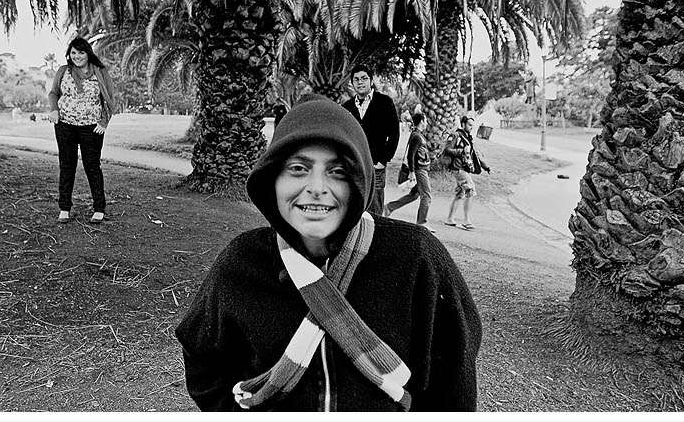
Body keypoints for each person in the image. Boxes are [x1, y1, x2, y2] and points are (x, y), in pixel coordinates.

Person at [175, 94, 481, 412]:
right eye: (298, 168)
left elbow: (454, 384)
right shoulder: (241, 263)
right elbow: (202, 358)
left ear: (360, 182)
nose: (317, 187)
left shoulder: (417, 258)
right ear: (272, 179)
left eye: (337, 171)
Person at [47, 37, 116, 224]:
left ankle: (99, 208)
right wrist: (54, 110)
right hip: (65, 125)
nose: (77, 56)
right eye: (73, 53)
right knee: (66, 166)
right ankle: (64, 208)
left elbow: (109, 97)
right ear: (69, 54)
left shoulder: (100, 72)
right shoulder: (63, 71)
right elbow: (53, 93)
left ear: (88, 54)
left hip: (91, 127)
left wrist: (104, 122)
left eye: (81, 52)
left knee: (92, 167)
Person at [341, 65, 399, 214]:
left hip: (376, 166)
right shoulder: (346, 107)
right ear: (352, 83)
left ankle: (375, 229)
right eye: (356, 79)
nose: (360, 82)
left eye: (364, 78)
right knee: (353, 206)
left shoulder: (384, 102)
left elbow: (394, 133)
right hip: (354, 165)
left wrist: (383, 161)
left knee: (374, 209)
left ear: (371, 80)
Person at [382, 113, 433, 232]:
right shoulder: (416, 136)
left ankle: (389, 207)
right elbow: (411, 155)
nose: (426, 123)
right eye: (425, 120)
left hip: (421, 169)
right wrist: (412, 172)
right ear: (421, 121)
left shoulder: (418, 135)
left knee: (414, 195)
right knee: (426, 195)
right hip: (420, 170)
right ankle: (421, 223)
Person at [443, 116, 491, 231]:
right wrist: (461, 151)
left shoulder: (468, 138)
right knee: (471, 190)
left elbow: (474, 156)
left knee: (460, 193)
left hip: (464, 169)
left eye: (472, 125)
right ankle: (466, 220)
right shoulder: (456, 135)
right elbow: (447, 149)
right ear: (463, 124)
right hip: (458, 168)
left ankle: (450, 219)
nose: (471, 127)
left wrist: (486, 167)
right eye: (469, 125)